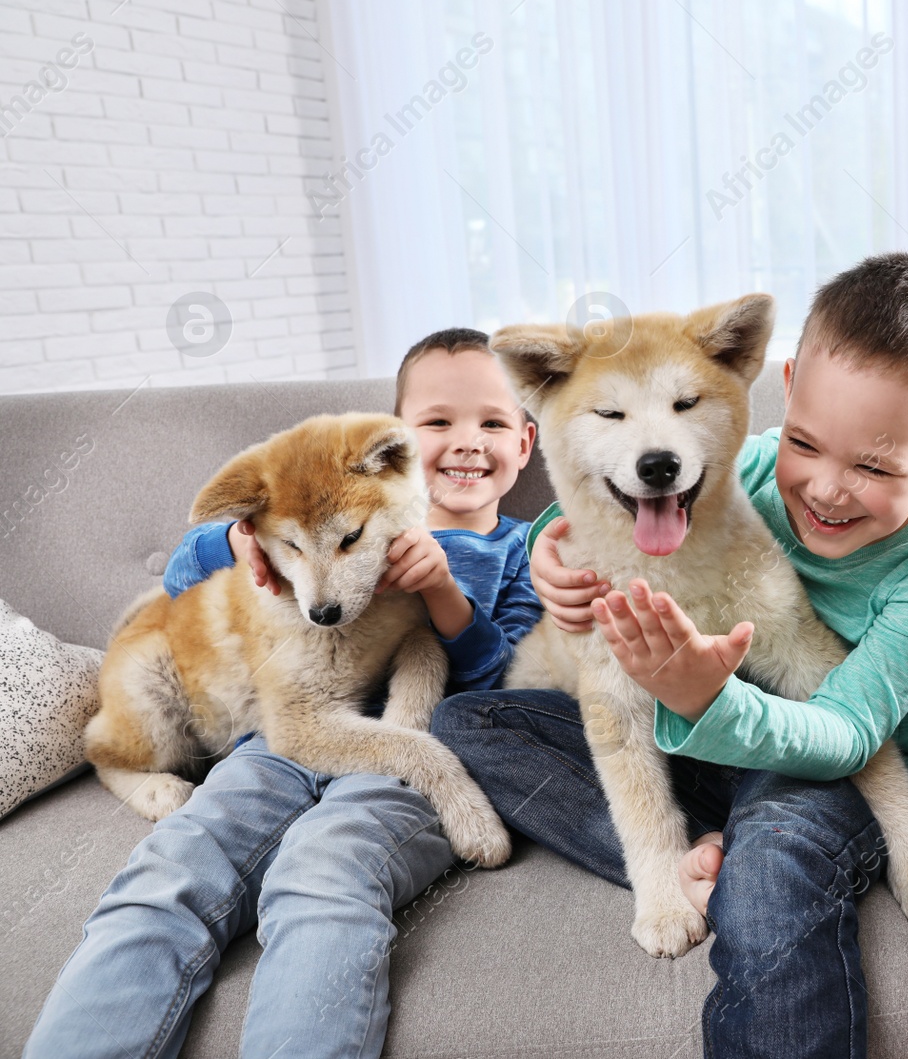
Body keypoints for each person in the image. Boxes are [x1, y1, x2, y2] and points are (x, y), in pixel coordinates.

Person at [431, 253, 908, 1058]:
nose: (829, 488)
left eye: (872, 465)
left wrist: (709, 700)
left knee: (769, 882)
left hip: (815, 765)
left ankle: (736, 858)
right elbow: (602, 494)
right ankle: (698, 854)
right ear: (787, 390)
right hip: (699, 751)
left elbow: (840, 722)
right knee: (469, 719)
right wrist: (548, 545)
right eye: (807, 442)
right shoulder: (759, 461)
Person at [25, 328, 539, 1059]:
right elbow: (180, 575)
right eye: (437, 422)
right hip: (277, 743)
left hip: (409, 751)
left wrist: (443, 590)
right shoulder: (324, 505)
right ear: (394, 443)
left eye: (492, 422)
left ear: (525, 442)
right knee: (167, 873)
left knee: (323, 874)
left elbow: (506, 693)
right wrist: (238, 544)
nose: (466, 441)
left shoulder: (523, 548)